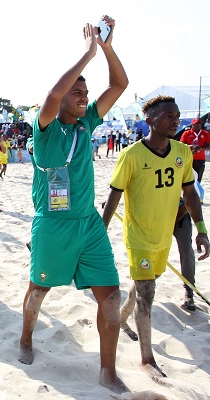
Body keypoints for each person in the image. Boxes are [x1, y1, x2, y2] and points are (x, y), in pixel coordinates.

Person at [18, 16, 129, 393]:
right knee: (38, 290)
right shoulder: (45, 126)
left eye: (86, 90)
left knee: (111, 297)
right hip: (52, 224)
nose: (84, 95)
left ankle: (107, 370)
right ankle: (25, 338)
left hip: (89, 224)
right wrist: (87, 54)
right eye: (77, 91)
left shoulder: (88, 123)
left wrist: (108, 47)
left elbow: (119, 84)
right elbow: (51, 96)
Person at [102, 95, 210, 380]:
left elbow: (189, 194)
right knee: (148, 292)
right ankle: (146, 359)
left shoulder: (183, 153)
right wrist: (100, 231)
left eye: (176, 115)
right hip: (138, 235)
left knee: (144, 285)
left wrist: (201, 230)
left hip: (163, 236)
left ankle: (123, 316)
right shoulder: (132, 155)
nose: (175, 120)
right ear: (149, 120)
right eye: (168, 116)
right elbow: (114, 194)